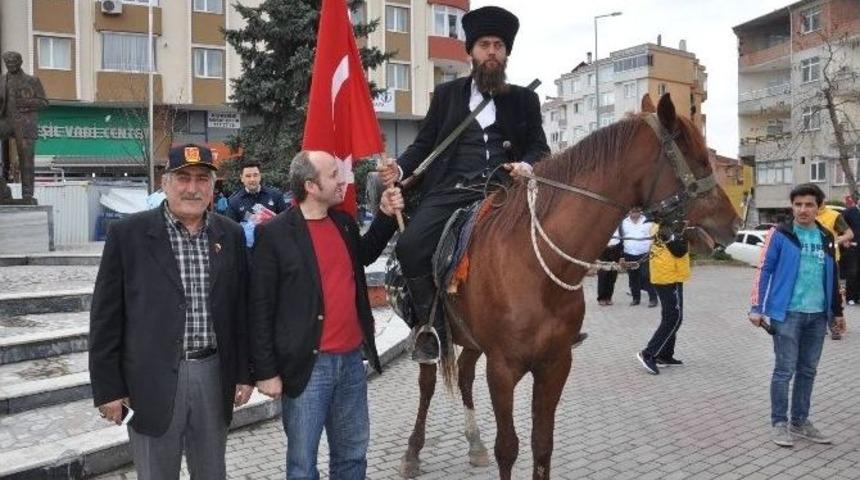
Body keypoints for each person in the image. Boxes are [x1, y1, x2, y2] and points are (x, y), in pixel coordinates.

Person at [378, 5, 549, 362]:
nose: (491, 51)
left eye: (498, 45)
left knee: (556, 238)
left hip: (505, 190)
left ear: (506, 53)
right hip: (452, 189)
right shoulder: (447, 96)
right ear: (470, 51)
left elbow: (539, 146)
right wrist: (399, 166)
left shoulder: (524, 99)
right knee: (409, 247)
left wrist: (528, 165)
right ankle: (430, 327)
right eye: (484, 44)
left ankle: (553, 321)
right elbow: (425, 144)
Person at [89, 144, 253, 479]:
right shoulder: (128, 235)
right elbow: (106, 318)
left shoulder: (230, 234)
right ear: (165, 184)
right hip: (149, 381)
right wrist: (108, 389)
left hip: (213, 374)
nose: (193, 188)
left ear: (213, 186)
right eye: (183, 178)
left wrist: (244, 373)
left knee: (211, 473)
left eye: (202, 179)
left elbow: (241, 311)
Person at [250, 150, 404, 479]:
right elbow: (260, 307)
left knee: (352, 457)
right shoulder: (274, 234)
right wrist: (265, 371)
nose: (343, 181)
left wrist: (387, 215)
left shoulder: (343, 222)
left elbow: (365, 254)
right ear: (310, 185)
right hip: (307, 367)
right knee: (303, 465)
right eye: (334, 174)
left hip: (351, 361)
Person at [749, 183, 845, 448]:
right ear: (792, 206)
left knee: (808, 371)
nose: (803, 209)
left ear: (818, 207)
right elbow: (764, 270)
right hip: (787, 313)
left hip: (817, 315)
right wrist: (757, 307)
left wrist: (837, 312)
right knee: (784, 371)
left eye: (809, 204)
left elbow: (833, 274)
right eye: (798, 204)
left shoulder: (826, 236)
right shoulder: (780, 234)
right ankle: (779, 423)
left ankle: (800, 422)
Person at [636, 222, 690, 375]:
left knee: (672, 317)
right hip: (668, 277)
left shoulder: (666, 227)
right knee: (673, 317)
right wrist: (684, 236)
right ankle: (648, 354)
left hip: (671, 275)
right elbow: (680, 250)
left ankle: (665, 356)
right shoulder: (666, 228)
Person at [0, 51, 48, 203]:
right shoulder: (2, 80)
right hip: (6, 121)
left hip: (25, 124)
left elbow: (44, 102)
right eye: (8, 63)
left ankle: (27, 194)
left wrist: (27, 103)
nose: (11, 66)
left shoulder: (32, 80)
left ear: (20, 62)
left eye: (13, 63)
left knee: (26, 160)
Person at [226, 161, 289, 246]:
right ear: (242, 178)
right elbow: (231, 231)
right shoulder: (234, 202)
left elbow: (287, 222)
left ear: (260, 176)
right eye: (248, 176)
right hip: (247, 253)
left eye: (255, 175)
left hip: (273, 248)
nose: (252, 179)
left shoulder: (275, 196)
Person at [816, 204, 853, 340]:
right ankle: (818, 325)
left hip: (830, 259)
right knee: (816, 294)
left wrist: (836, 240)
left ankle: (835, 326)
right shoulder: (808, 214)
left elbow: (849, 234)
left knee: (832, 293)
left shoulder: (834, 216)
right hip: (811, 260)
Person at [621, 207, 658, 307]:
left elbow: (654, 235)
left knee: (646, 276)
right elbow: (621, 239)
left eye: (637, 211)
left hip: (644, 254)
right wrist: (621, 256)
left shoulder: (647, 221)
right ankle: (636, 299)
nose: (635, 213)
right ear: (629, 212)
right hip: (629, 254)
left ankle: (653, 299)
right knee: (633, 277)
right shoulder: (624, 223)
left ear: (640, 211)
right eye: (632, 211)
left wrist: (652, 247)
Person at [596, 228, 622, 306]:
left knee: (613, 276)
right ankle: (601, 298)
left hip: (615, 249)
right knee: (602, 275)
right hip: (603, 250)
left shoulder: (620, 225)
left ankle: (609, 297)